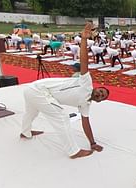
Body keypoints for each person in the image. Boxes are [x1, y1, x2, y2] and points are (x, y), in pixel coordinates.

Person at [20, 22, 109, 159]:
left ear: (99, 101)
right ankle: (73, 151)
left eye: (102, 96)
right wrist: (84, 39)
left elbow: (86, 123)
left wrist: (92, 143)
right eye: (101, 91)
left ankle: (25, 133)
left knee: (31, 112)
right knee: (61, 117)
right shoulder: (86, 83)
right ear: (96, 88)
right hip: (39, 90)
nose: (99, 94)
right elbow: (84, 62)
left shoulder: (86, 105)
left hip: (34, 90)